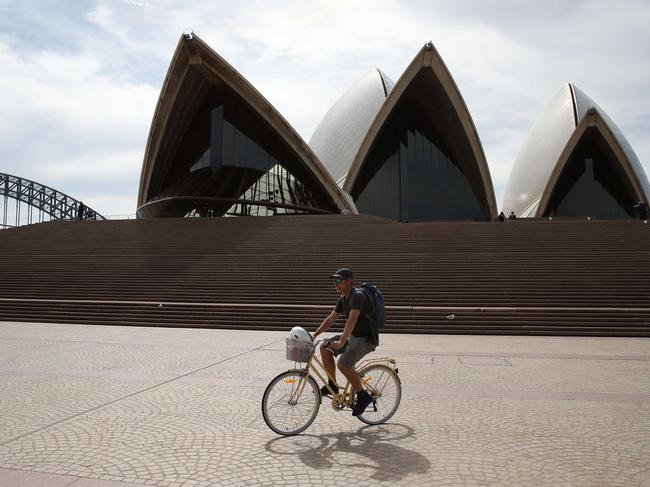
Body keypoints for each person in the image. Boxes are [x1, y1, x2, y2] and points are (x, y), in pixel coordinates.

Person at [313, 268, 378, 416]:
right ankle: (333, 385)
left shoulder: (357, 296)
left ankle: (363, 396)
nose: (335, 283)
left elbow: (351, 320)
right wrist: (314, 335)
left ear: (349, 282)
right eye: (334, 281)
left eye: (338, 280)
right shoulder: (343, 298)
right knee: (324, 348)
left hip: (366, 339)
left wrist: (342, 342)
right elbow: (331, 319)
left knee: (343, 364)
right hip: (353, 337)